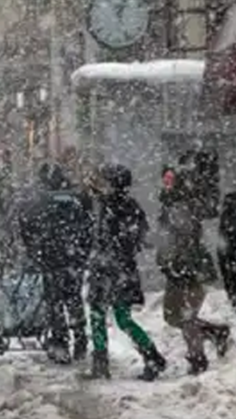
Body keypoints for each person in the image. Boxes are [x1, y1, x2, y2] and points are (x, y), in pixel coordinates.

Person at [85, 163, 167, 380]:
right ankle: (152, 356)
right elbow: (143, 238)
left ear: (112, 184)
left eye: (105, 181)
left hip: (107, 270)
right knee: (123, 319)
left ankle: (101, 364)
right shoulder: (131, 206)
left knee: (97, 315)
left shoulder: (108, 207)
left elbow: (101, 237)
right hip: (123, 270)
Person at [16, 161, 93, 364]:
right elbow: (88, 225)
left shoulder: (40, 201)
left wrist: (34, 249)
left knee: (55, 303)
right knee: (74, 299)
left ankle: (60, 343)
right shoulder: (76, 199)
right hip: (74, 258)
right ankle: (80, 339)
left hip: (51, 259)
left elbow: (26, 223)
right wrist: (82, 252)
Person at [157, 165, 231, 375]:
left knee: (186, 316)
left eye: (171, 179)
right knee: (172, 316)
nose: (167, 183)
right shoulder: (169, 203)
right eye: (165, 179)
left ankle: (198, 359)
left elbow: (183, 238)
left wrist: (176, 261)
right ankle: (216, 331)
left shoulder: (182, 205)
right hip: (175, 268)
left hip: (188, 268)